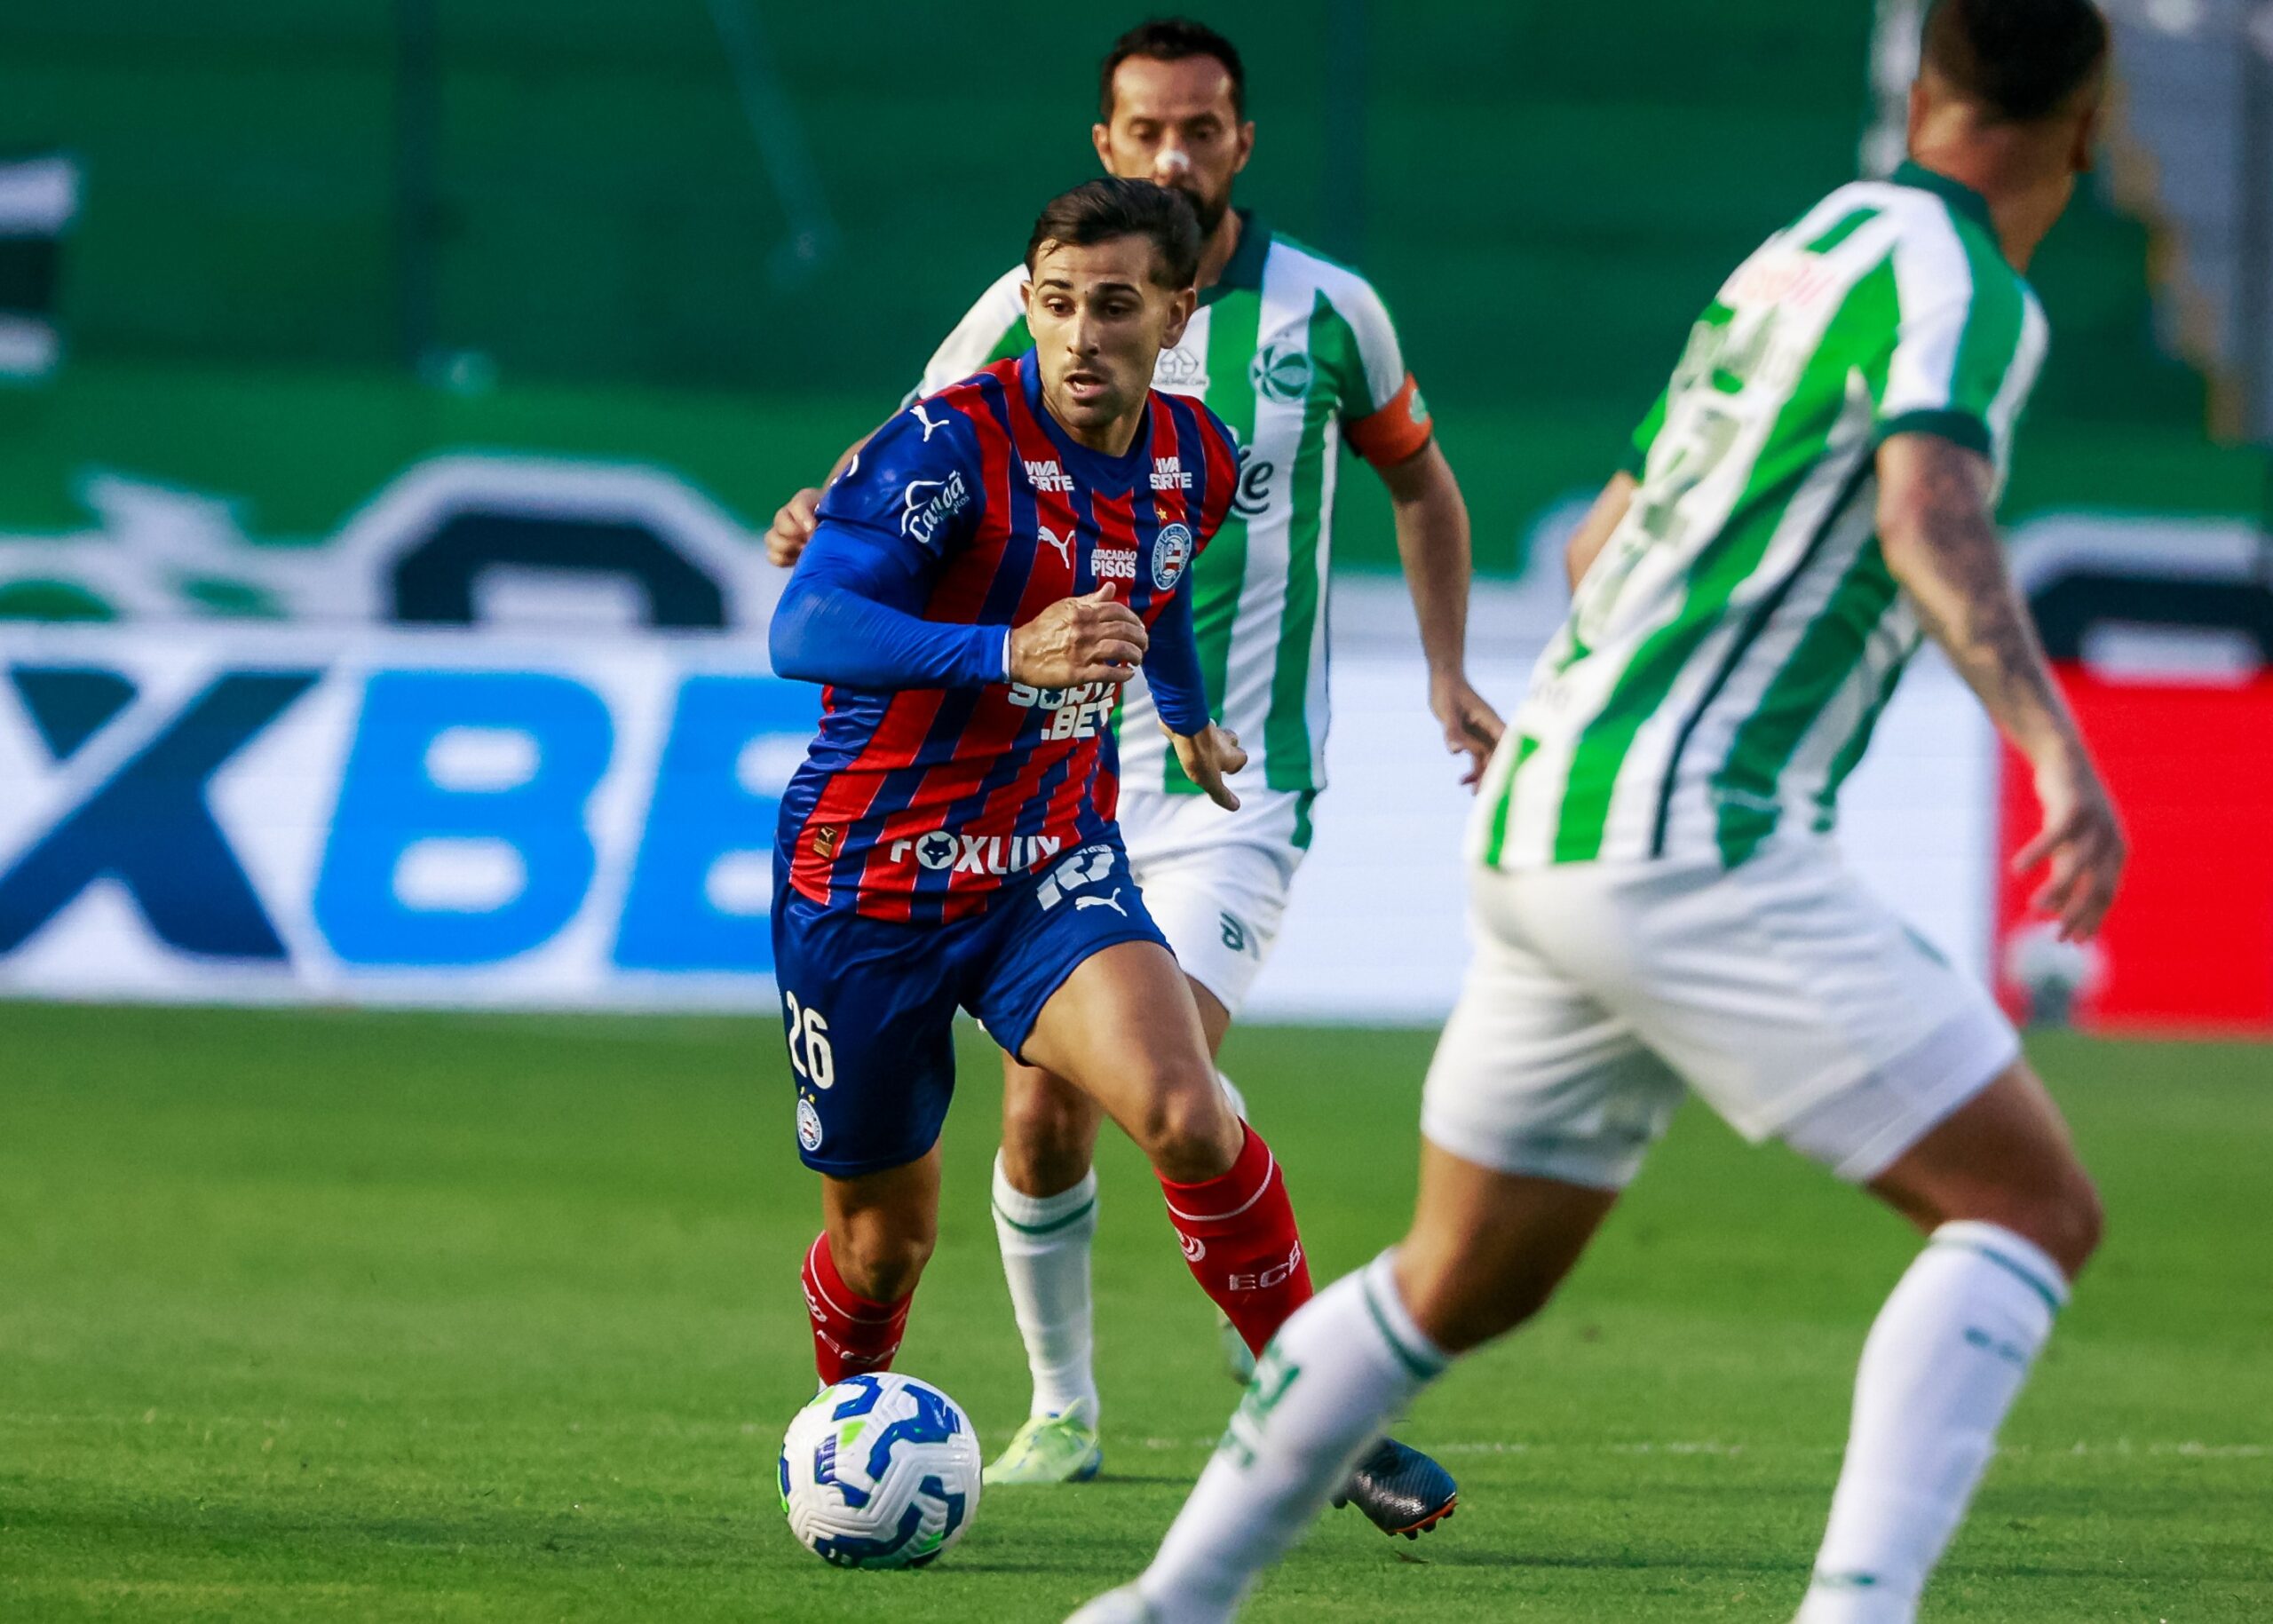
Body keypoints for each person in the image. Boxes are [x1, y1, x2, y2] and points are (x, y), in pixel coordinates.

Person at [1070, 1, 2123, 1620]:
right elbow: (1926, 502)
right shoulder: (1962, 286)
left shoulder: (1805, 252)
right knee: (2031, 1207)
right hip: (1689, 824)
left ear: (1920, 93)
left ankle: (1156, 1606)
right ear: (2090, 116)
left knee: (1446, 1286)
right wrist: (2054, 745)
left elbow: (1596, 540)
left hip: (1547, 804)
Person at [767, 19, 1493, 1515]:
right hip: (875, 875)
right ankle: (851, 1428)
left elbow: (1150, 577)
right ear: (1024, 307)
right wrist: (1002, 657)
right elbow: (804, 621)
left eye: (1113, 308)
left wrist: (1180, 698)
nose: (1080, 333)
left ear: (1172, 320)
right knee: (883, 1242)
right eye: (1055, 304)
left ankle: (1318, 1416)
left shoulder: (1199, 454)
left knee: (1182, 1105)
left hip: (1047, 862)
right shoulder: (948, 447)